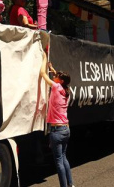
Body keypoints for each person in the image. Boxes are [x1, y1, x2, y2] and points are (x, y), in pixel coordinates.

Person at [39, 52, 75, 187]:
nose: (54, 76)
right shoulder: (66, 91)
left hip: (57, 130)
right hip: (66, 129)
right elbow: (58, 78)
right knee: (64, 158)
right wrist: (53, 68)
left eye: (57, 76)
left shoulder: (55, 87)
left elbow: (43, 74)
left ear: (60, 81)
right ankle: (70, 184)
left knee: (59, 161)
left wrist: (44, 58)